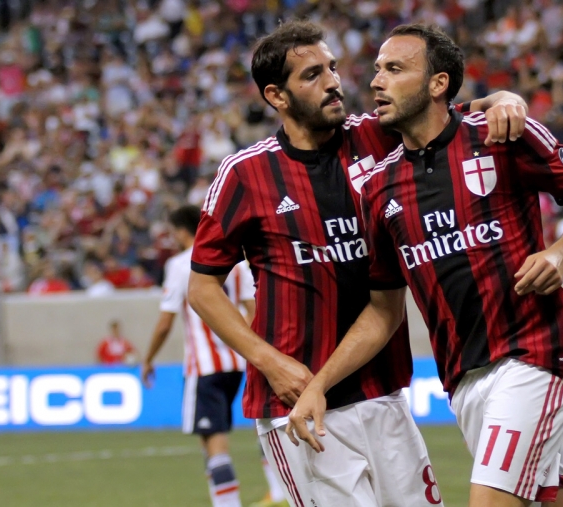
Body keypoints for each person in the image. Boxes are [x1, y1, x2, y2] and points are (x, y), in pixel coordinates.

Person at [187, 20, 528, 507]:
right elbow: (202, 289)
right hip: (298, 406)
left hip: (382, 392)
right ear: (276, 96)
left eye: (331, 67)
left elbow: (452, 115)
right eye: (312, 75)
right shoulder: (244, 174)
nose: (333, 82)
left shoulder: (379, 136)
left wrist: (504, 100)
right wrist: (270, 363)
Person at [286, 24, 563, 507]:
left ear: (438, 83)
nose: (377, 81)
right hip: (464, 377)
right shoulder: (378, 188)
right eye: (377, 70)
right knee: (551, 500)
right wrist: (318, 385)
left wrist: (560, 252)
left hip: (535, 355)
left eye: (394, 69)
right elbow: (383, 310)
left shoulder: (503, 134)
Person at [141, 205, 285, 507]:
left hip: (205, 366)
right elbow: (253, 310)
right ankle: (279, 491)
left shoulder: (181, 264)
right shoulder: (236, 263)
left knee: (214, 439)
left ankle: (227, 504)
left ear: (181, 231)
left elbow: (166, 321)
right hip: (241, 361)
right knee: (263, 423)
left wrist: (148, 358)